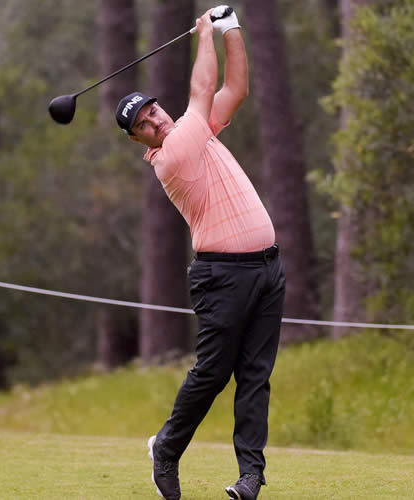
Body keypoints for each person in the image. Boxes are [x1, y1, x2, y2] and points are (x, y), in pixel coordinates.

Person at [115, 6, 285, 500]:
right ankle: (165, 448)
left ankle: (250, 477)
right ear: (138, 142)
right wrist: (205, 33)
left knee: (255, 375)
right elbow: (202, 90)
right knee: (212, 373)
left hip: (267, 269)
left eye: (152, 110)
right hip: (223, 276)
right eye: (144, 125)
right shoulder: (172, 156)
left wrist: (232, 29)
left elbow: (235, 90)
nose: (154, 120)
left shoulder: (198, 129)